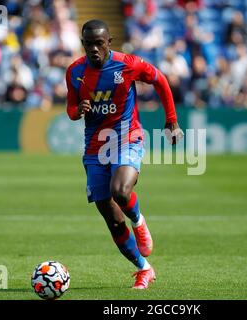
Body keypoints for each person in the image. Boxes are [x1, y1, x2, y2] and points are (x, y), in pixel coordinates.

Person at [65, 20, 183, 289]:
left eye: (99, 43)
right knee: (113, 219)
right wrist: (78, 110)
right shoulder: (75, 71)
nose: (93, 49)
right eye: (88, 44)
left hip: (126, 137)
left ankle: (139, 221)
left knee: (120, 190)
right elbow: (71, 108)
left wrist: (172, 120)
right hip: (95, 146)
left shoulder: (128, 64)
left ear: (109, 41)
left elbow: (160, 80)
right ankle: (144, 269)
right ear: (82, 44)